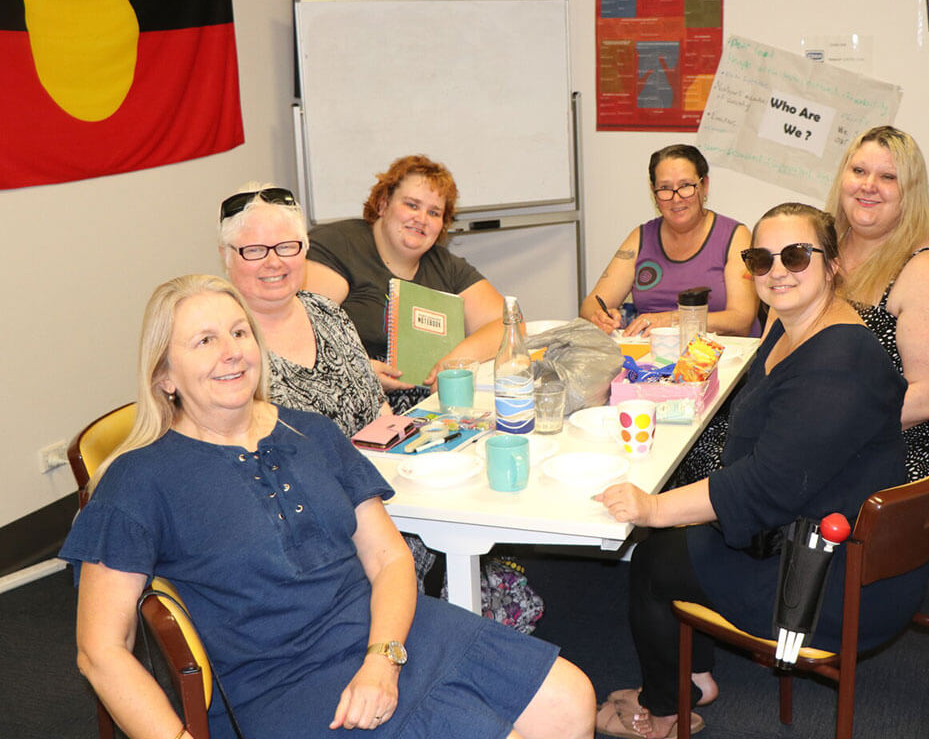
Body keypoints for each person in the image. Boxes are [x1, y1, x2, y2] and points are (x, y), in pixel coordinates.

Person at [60, 275, 594, 739]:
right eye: (204, 340)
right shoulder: (140, 480)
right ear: (165, 377)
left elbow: (388, 560)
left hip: (388, 633)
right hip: (282, 680)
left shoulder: (309, 431)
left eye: (240, 332)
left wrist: (382, 660)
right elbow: (101, 651)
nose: (232, 351)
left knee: (572, 700)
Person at [593, 204, 921, 739]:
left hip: (831, 580)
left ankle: (665, 709)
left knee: (655, 555)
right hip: (815, 534)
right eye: (761, 258)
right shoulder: (793, 324)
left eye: (796, 255)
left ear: (833, 264)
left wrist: (652, 507)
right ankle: (691, 679)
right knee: (677, 533)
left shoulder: (839, 362)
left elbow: (764, 486)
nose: (777, 270)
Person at [828, 125, 929, 482]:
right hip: (835, 420)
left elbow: (925, 400)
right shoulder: (834, 244)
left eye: (888, 177)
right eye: (859, 171)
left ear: (910, 192)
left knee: (737, 475)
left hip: (897, 446)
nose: (868, 185)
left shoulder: (928, 268)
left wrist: (821, 428)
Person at [305, 155, 505, 412]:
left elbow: (509, 324)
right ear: (383, 204)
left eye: (434, 212)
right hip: (350, 406)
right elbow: (304, 331)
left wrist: (456, 361)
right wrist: (356, 372)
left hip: (427, 412)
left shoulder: (445, 265)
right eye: (412, 205)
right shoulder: (339, 245)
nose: (421, 218)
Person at [220, 184, 387, 437]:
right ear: (226, 257)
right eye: (255, 250)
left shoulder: (327, 311)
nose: (274, 262)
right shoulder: (222, 344)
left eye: (286, 246)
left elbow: (379, 408)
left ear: (305, 248)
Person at [579, 144, 757, 338]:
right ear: (653, 192)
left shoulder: (735, 236)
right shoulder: (641, 237)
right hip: (653, 359)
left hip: (721, 360)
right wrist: (600, 317)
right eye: (665, 188)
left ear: (704, 186)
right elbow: (590, 305)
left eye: (686, 186)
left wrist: (672, 320)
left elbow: (741, 320)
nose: (676, 198)